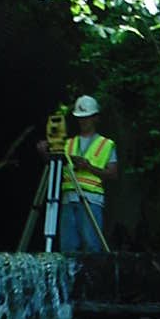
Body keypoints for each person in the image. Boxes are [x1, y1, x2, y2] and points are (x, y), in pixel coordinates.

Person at [59, 95, 117, 253]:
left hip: (91, 200)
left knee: (92, 247)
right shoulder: (68, 144)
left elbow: (113, 174)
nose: (82, 121)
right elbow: (54, 166)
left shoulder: (106, 144)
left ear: (95, 118)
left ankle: (93, 270)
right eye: (80, 118)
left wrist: (89, 167)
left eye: (86, 117)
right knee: (67, 249)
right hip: (68, 199)